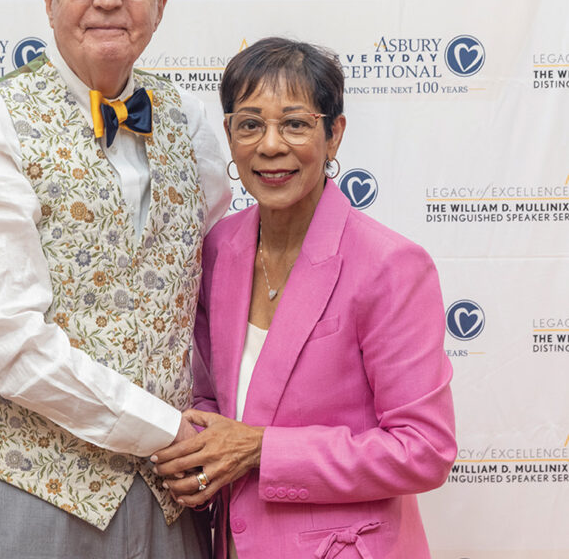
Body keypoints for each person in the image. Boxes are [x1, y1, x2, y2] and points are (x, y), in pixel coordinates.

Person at [0, 0, 229, 559]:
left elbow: (208, 296)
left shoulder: (192, 123)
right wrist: (165, 429)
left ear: (161, 2)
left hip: (173, 495)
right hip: (34, 491)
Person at [150, 37, 457, 558]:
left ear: (334, 134)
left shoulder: (389, 265)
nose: (270, 145)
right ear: (228, 135)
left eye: (294, 123)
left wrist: (259, 451)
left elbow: (423, 450)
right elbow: (209, 396)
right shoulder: (219, 248)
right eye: (250, 124)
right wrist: (198, 451)